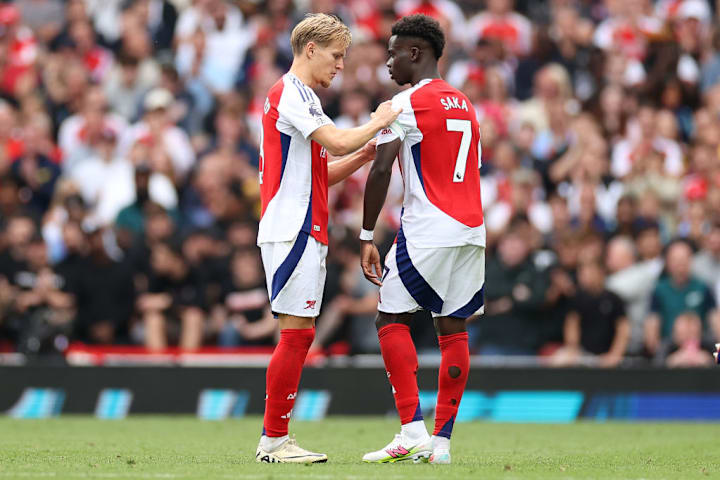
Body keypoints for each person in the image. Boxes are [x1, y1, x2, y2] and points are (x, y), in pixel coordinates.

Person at [254, 13, 400, 464]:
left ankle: (277, 437)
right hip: (292, 226)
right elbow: (335, 143)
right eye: (336, 56)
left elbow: (322, 170)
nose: (340, 66)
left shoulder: (306, 101)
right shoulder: (290, 93)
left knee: (300, 332)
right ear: (311, 49)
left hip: (304, 223)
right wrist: (379, 120)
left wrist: (365, 155)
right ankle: (274, 440)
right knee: (295, 334)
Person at [359, 15, 484, 465]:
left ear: (415, 53)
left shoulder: (406, 102)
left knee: (389, 317)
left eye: (393, 52)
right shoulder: (465, 102)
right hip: (472, 229)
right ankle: (443, 444)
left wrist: (366, 233)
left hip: (429, 226)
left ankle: (412, 429)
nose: (387, 62)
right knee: (453, 327)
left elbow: (379, 167)